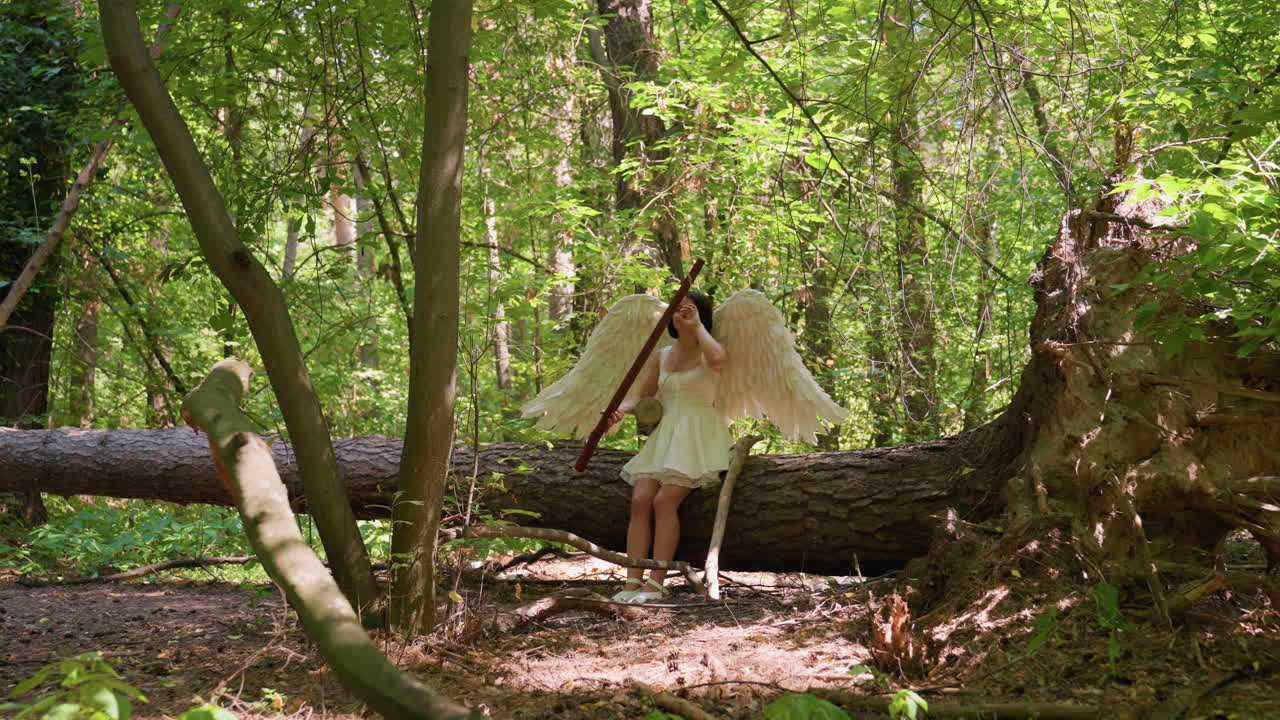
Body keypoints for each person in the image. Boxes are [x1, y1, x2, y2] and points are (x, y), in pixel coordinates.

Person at [604, 291, 731, 604]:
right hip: (667, 434)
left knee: (664, 502)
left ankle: (656, 582)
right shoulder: (662, 355)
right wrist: (622, 407)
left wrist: (698, 325)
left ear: (700, 313)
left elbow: (719, 360)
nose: (679, 314)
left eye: (686, 309)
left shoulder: (708, 350)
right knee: (641, 499)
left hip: (699, 434)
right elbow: (645, 397)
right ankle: (633, 578)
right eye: (675, 310)